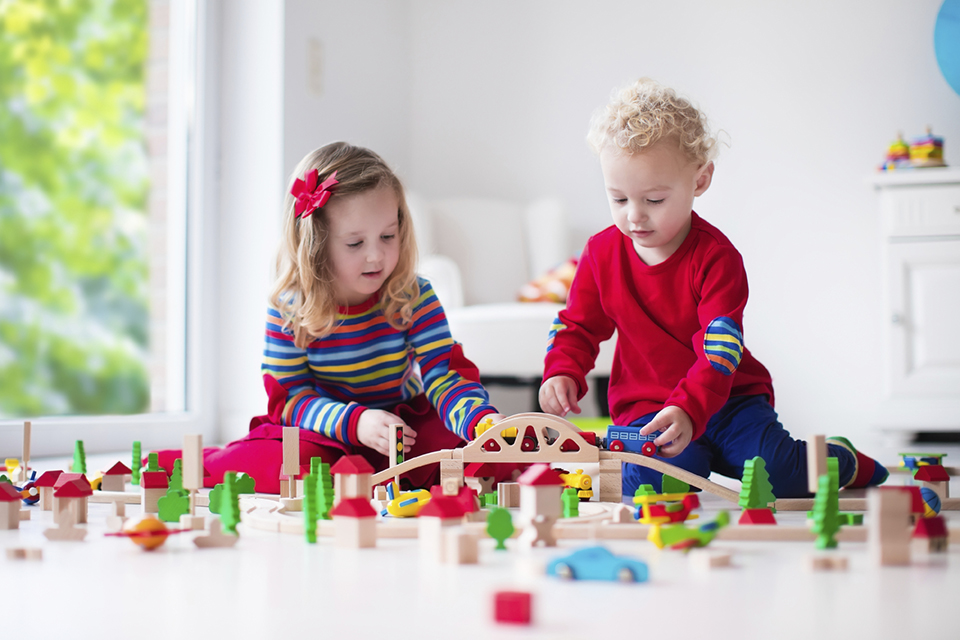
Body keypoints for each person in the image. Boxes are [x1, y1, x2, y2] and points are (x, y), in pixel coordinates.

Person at [539, 79, 887, 499]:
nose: (634, 217)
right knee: (656, 482)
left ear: (700, 181)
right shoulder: (599, 254)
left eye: (653, 200)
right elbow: (576, 324)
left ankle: (841, 458)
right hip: (647, 407)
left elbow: (720, 350)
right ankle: (703, 456)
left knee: (782, 475)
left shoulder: (716, 257)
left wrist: (689, 409)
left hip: (728, 400)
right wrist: (562, 370)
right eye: (618, 199)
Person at [156, 142, 511, 492]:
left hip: (399, 430)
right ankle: (186, 462)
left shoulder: (413, 295)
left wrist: (481, 421)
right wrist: (355, 423)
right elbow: (291, 399)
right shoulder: (291, 307)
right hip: (324, 432)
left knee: (479, 452)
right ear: (315, 245)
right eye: (355, 244)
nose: (376, 256)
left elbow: (444, 375)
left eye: (388, 236)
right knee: (284, 463)